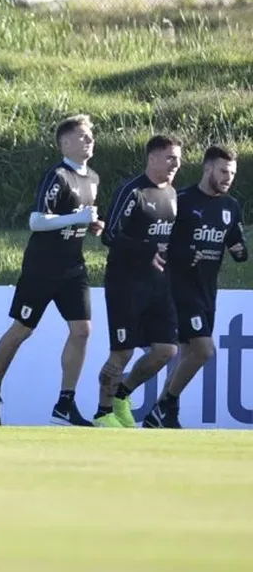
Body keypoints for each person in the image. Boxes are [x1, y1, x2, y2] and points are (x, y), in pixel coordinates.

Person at [0, 115, 102, 427]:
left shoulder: (94, 179)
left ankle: (64, 404)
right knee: (23, 329)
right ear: (65, 143)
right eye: (83, 136)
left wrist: (91, 225)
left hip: (73, 267)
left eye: (91, 136)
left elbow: (78, 219)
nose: (90, 141)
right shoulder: (57, 175)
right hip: (42, 266)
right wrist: (76, 219)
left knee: (83, 330)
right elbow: (37, 221)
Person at [143, 145, 247, 428]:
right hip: (179, 287)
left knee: (188, 354)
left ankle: (158, 416)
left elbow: (236, 243)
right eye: (224, 171)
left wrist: (239, 250)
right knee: (203, 350)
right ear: (208, 169)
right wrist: (184, 253)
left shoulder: (230, 207)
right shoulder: (183, 200)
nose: (228, 178)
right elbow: (162, 242)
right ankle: (167, 404)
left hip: (206, 290)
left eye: (233, 173)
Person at [95, 134, 182, 428]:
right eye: (170, 157)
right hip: (125, 283)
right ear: (153, 157)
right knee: (122, 351)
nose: (176, 163)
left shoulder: (171, 193)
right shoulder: (131, 191)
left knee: (166, 349)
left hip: (159, 284)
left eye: (178, 158)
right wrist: (147, 250)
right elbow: (110, 235)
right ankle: (103, 413)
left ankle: (122, 394)